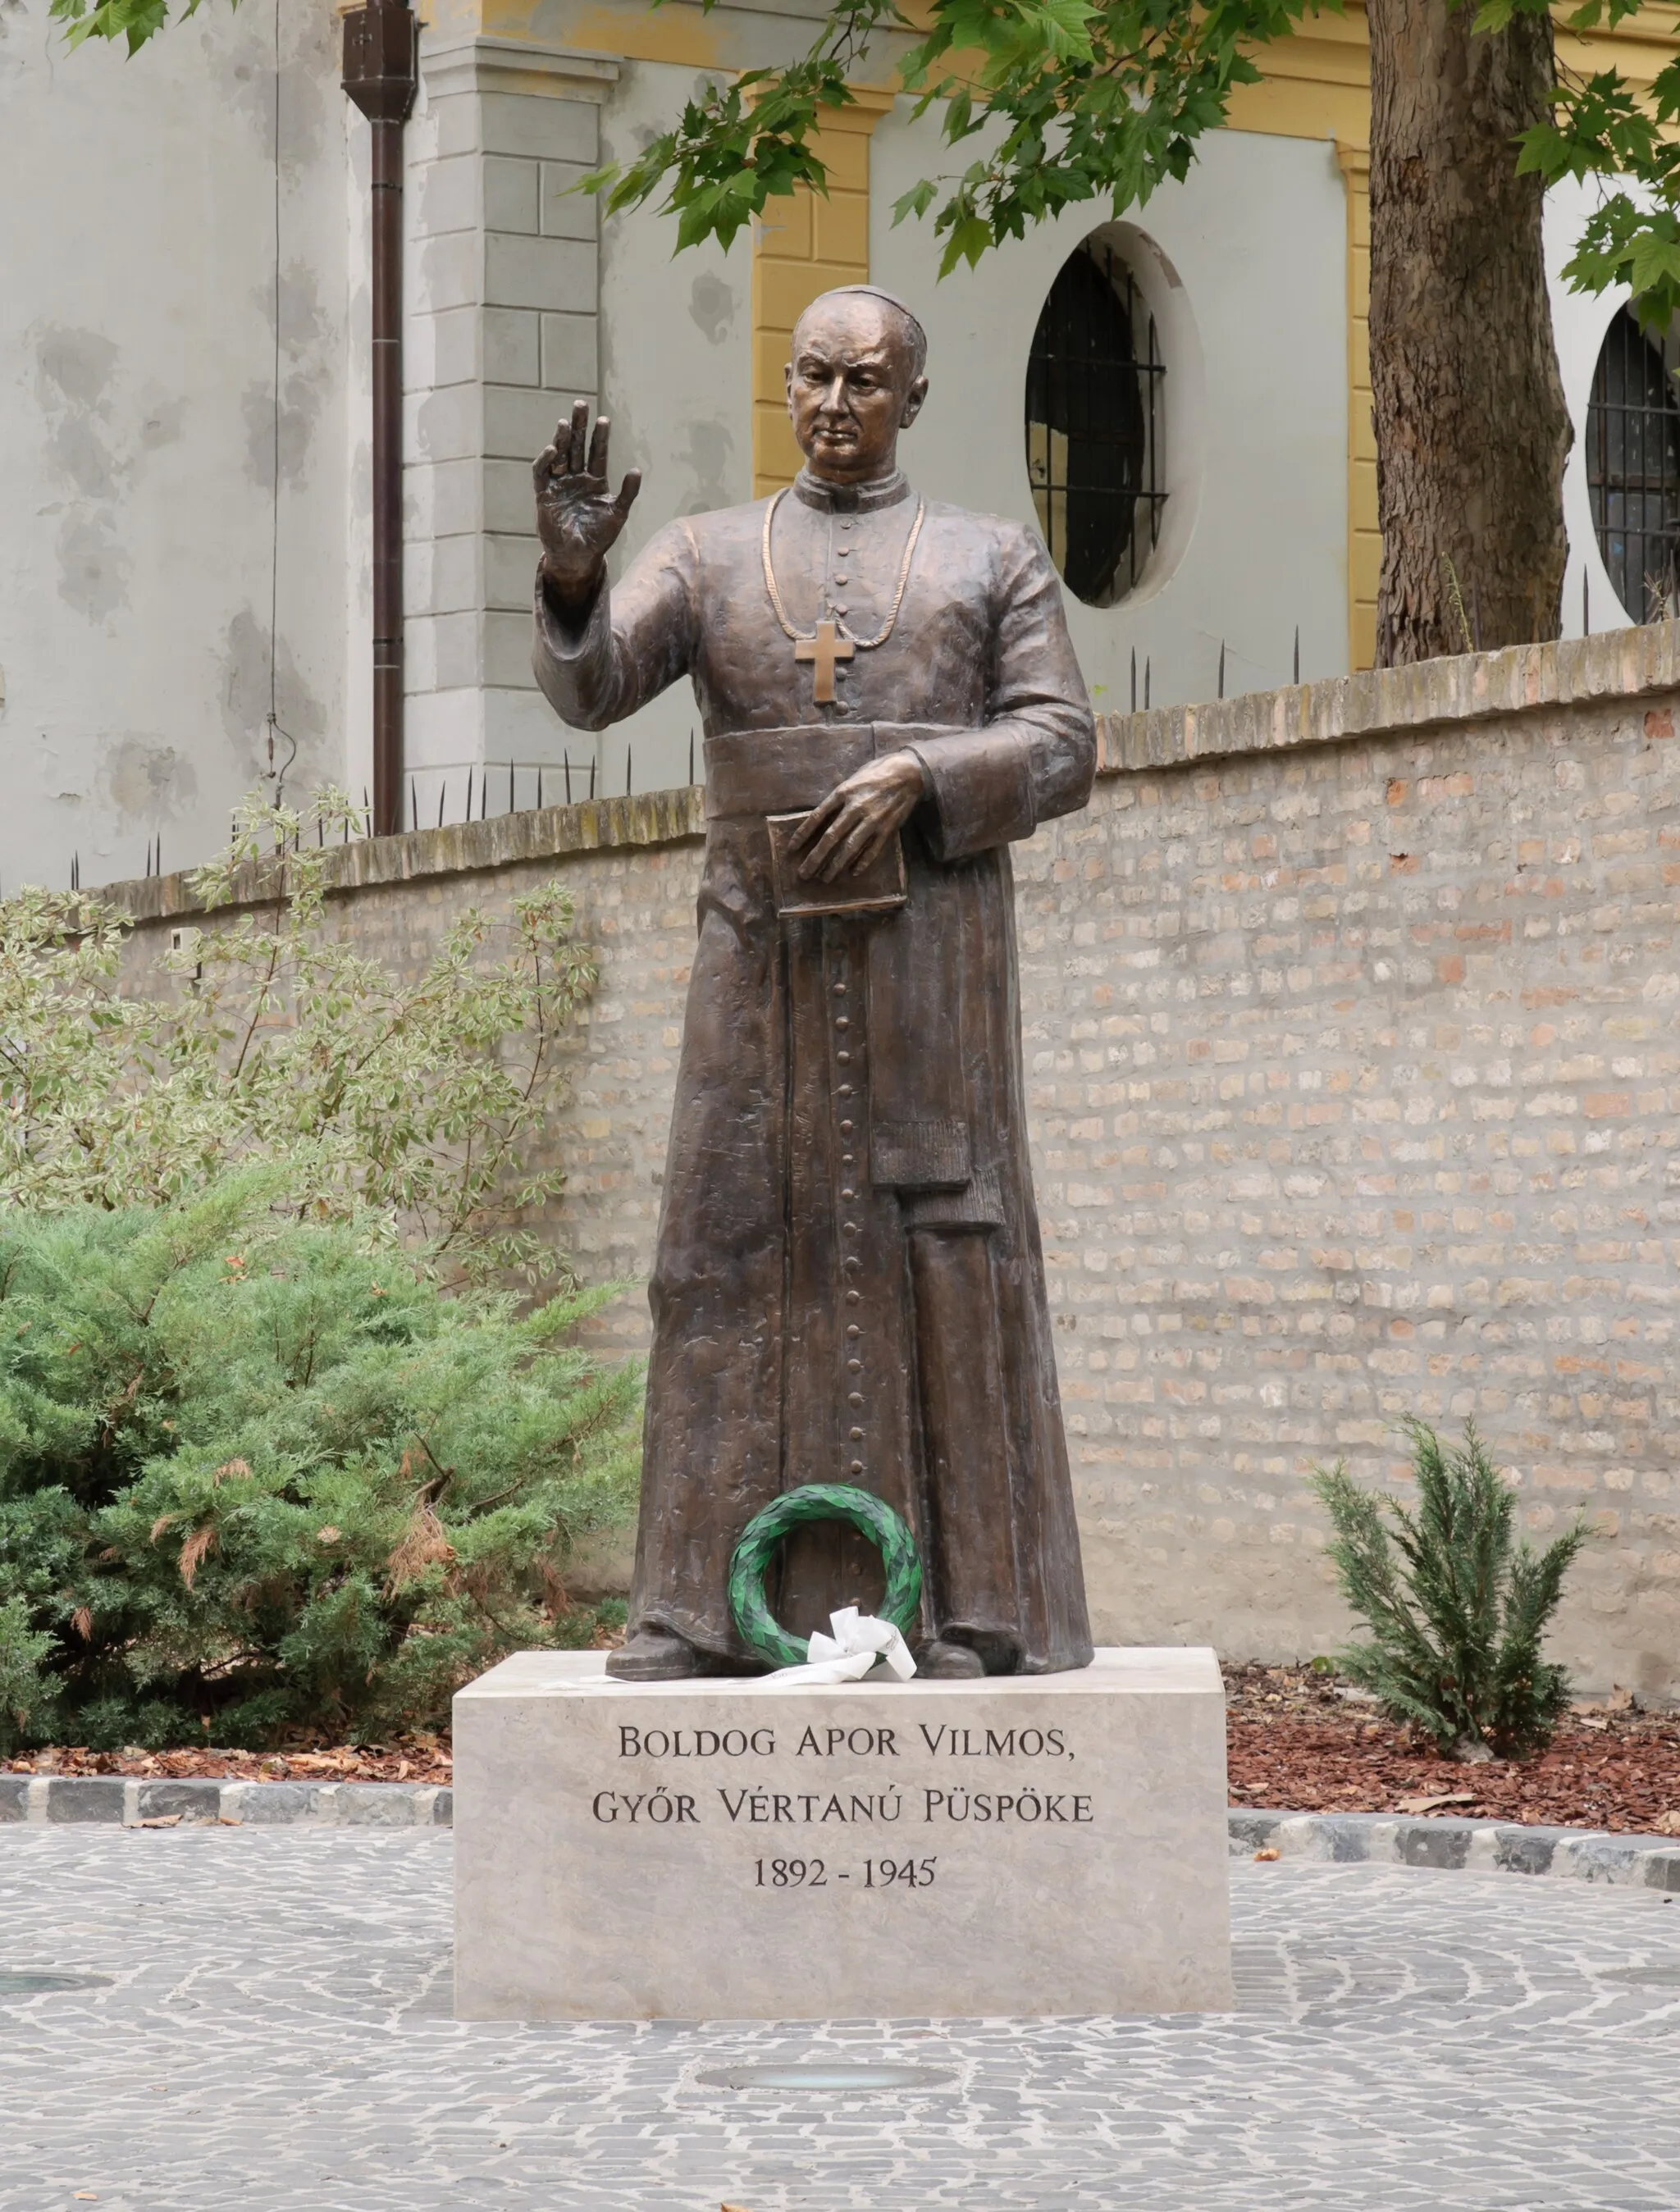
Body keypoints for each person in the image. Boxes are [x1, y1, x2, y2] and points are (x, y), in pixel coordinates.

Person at [532, 285, 1096, 1679]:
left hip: (928, 963)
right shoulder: (708, 555)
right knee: (717, 1251)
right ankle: (687, 1605)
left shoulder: (987, 558)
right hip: (757, 956)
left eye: (866, 381)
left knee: (943, 1254)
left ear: (913, 396)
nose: (836, 406)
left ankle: (973, 1610)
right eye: (814, 378)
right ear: (787, 390)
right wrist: (569, 583)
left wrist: (923, 772)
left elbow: (1065, 742)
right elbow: (596, 689)